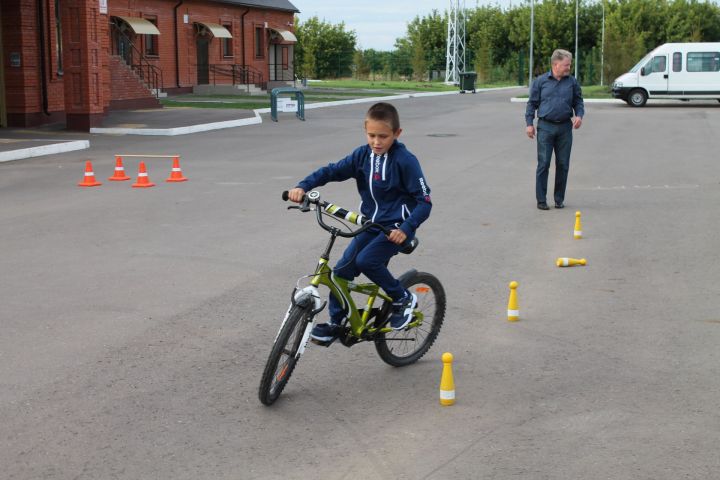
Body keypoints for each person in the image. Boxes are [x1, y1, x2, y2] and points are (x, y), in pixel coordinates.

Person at [287, 102, 432, 344]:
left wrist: (405, 229)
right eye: (371, 135)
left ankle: (403, 299)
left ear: (397, 134)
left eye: (383, 136)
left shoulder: (405, 161)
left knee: (367, 261)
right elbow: (331, 171)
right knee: (340, 273)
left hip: (395, 228)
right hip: (370, 225)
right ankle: (337, 322)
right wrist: (303, 186)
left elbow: (424, 202)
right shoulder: (362, 156)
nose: (376, 142)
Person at [525, 49, 585, 210]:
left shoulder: (571, 82)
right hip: (545, 127)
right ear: (556, 64)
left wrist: (579, 115)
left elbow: (578, 101)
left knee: (563, 164)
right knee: (543, 163)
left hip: (565, 127)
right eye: (566, 64)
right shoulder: (540, 81)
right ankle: (541, 200)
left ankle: (559, 199)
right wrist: (529, 124)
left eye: (569, 64)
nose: (569, 67)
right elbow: (532, 104)